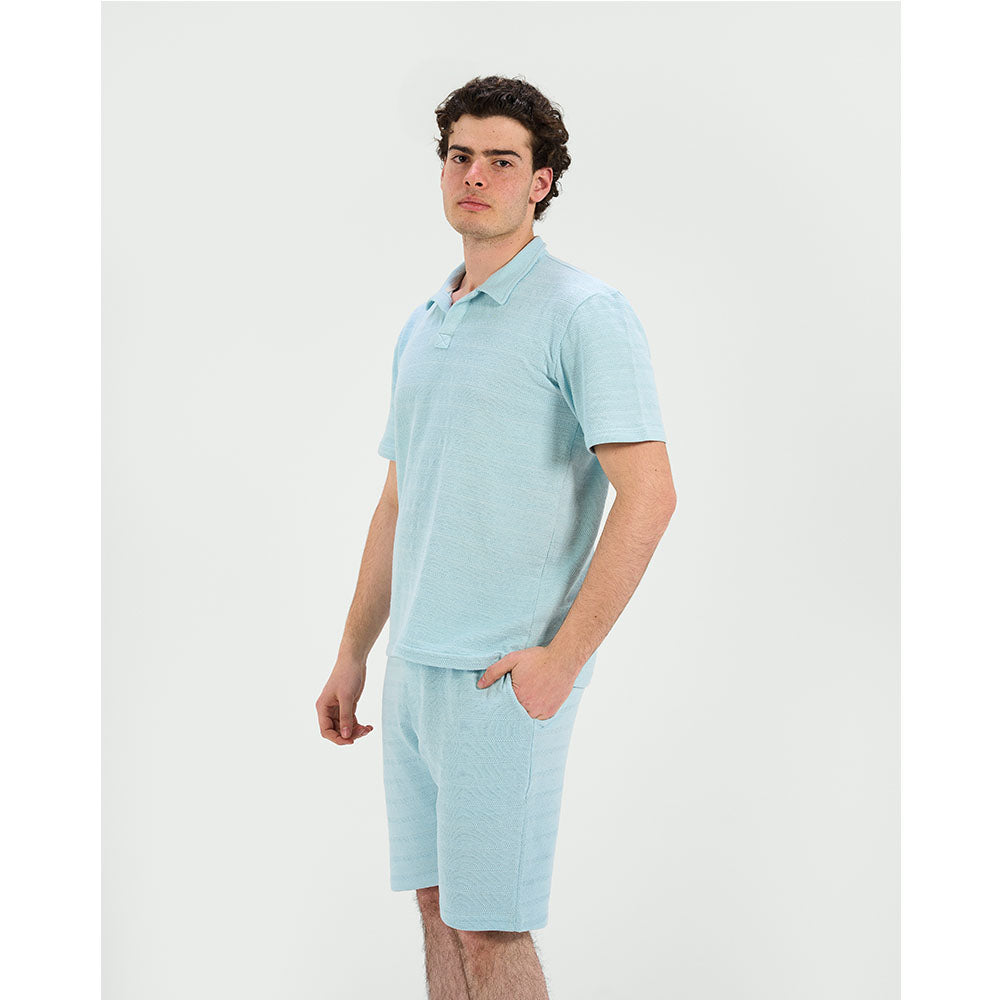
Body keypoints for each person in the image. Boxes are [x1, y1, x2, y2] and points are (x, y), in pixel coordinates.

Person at [316, 74, 677, 999]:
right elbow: (398, 502)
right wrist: (354, 654)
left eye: (502, 161)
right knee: (440, 909)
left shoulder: (583, 313)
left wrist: (562, 659)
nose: (474, 175)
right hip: (413, 672)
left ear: (541, 182)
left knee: (490, 928)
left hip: (501, 678)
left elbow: (650, 496)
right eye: (460, 156)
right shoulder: (424, 323)